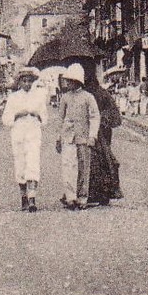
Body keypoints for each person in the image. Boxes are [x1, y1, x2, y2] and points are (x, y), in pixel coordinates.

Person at [2, 66, 47, 211]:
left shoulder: (38, 96)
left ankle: (32, 198)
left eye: (30, 81)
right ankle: (23, 197)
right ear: (19, 82)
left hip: (33, 135)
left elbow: (45, 118)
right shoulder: (13, 98)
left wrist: (37, 114)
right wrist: (17, 115)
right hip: (19, 135)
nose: (27, 84)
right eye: (24, 81)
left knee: (33, 164)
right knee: (20, 166)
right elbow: (6, 119)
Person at [55, 64, 100, 209]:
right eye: (67, 80)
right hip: (68, 136)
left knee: (83, 167)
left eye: (70, 80)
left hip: (84, 137)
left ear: (78, 81)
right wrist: (58, 137)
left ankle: (82, 197)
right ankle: (70, 197)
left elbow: (94, 117)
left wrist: (92, 135)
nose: (68, 83)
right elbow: (60, 118)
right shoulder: (65, 97)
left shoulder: (88, 97)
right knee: (68, 166)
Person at [87, 67, 125, 207]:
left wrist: (101, 118)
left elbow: (115, 116)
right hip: (91, 133)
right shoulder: (88, 94)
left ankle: (102, 193)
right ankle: (95, 193)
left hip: (101, 133)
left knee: (102, 162)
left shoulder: (101, 94)